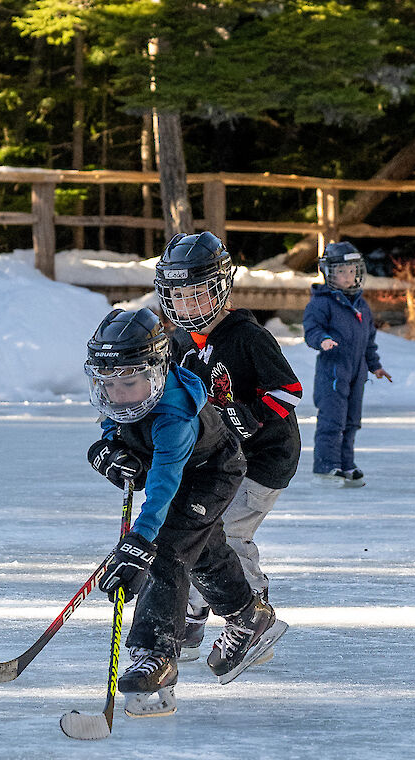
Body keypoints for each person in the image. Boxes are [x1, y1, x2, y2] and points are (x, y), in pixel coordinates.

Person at [85, 307, 288, 714]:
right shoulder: (129, 396)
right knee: (203, 550)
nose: (118, 393)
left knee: (168, 551)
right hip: (179, 468)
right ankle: (248, 615)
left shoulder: (174, 414)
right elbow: (115, 424)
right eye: (107, 384)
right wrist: (107, 450)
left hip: (212, 474)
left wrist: (139, 542)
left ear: (157, 373)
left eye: (129, 383)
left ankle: (155, 655)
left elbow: (160, 488)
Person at [152, 232, 303, 657]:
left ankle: (255, 618)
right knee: (193, 532)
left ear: (221, 288)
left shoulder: (248, 337)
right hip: (218, 461)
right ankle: (195, 615)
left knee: (227, 533)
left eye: (198, 295)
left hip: (263, 460)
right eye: (179, 296)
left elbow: (288, 391)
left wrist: (250, 415)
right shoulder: (179, 344)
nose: (188, 306)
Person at [302, 241, 392, 487]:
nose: (348, 276)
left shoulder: (361, 305)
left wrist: (375, 366)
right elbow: (311, 329)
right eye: (341, 271)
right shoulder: (321, 303)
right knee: (333, 420)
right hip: (333, 371)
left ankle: (346, 464)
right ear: (329, 273)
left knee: (352, 421)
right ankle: (326, 466)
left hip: (357, 372)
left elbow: (368, 340)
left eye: (352, 270)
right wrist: (323, 340)